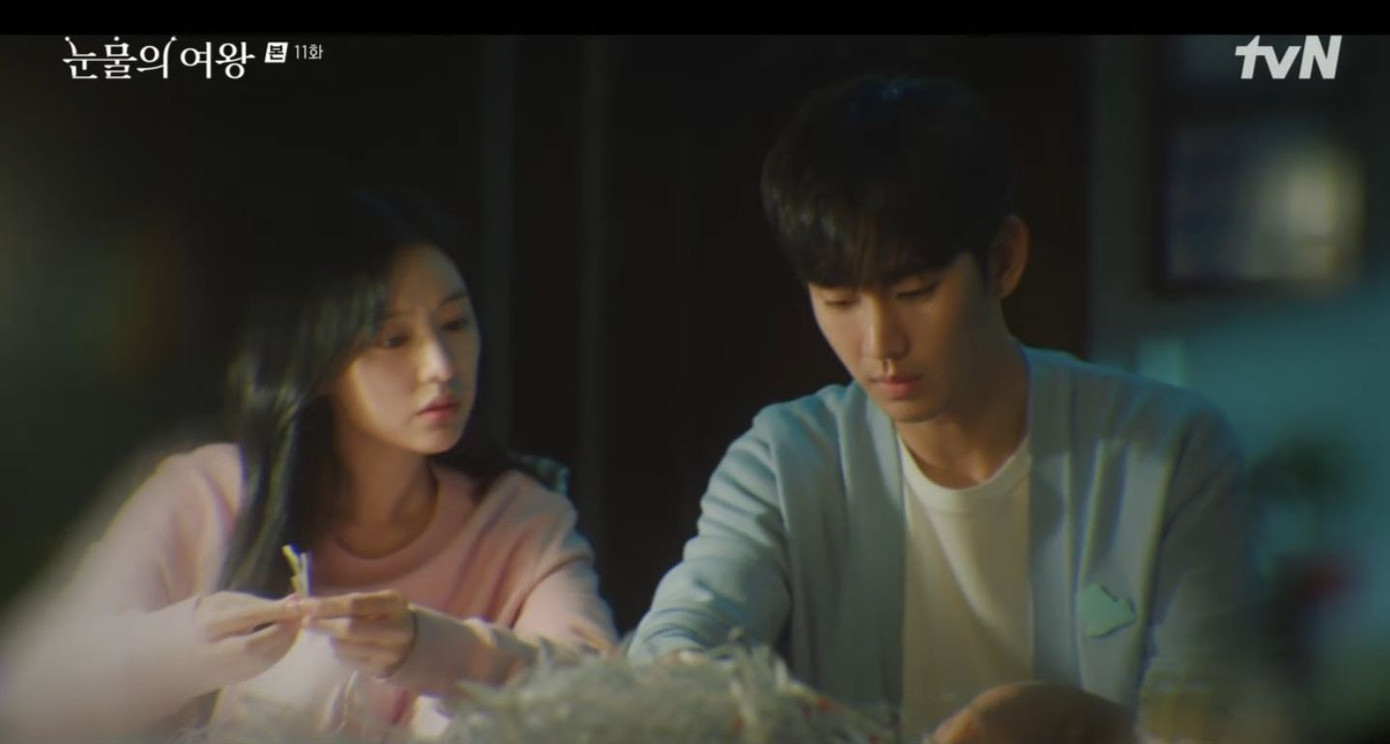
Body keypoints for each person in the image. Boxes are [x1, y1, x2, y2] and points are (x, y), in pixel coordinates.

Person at [629, 75, 1258, 744]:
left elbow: (1213, 720)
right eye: (839, 302)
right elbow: (683, 632)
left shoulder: (1169, 451)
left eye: (916, 292)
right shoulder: (787, 462)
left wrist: (1080, 724)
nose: (880, 345)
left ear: (1004, 260)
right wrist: (682, 680)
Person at [0, 188, 618, 743]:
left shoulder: (521, 520)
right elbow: (32, 696)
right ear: (318, 360)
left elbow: (608, 697)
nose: (442, 366)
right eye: (394, 339)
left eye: (455, 324)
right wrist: (192, 643)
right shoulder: (207, 493)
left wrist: (429, 647)